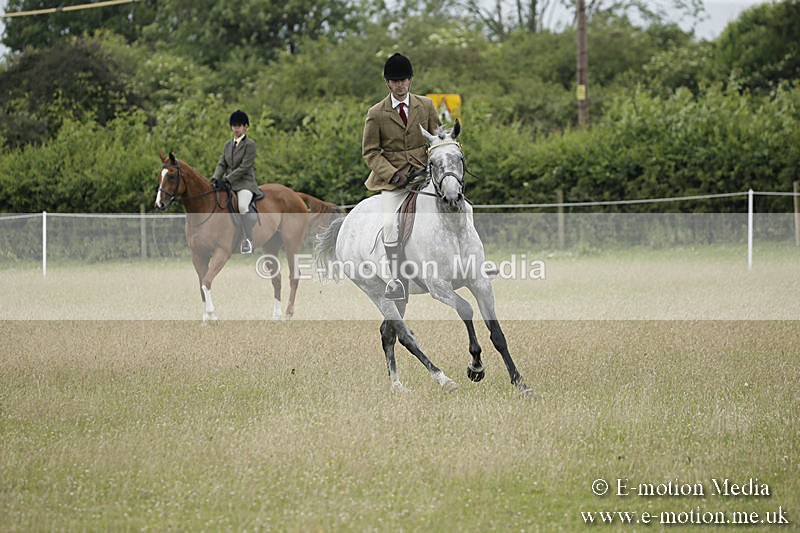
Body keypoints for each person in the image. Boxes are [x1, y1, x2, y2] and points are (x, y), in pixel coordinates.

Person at [363, 53, 441, 300]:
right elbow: (371, 152)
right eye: (395, 81)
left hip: (424, 176)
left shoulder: (426, 105)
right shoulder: (376, 113)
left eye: (404, 80)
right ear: (387, 82)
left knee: (461, 206)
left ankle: (475, 264)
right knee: (389, 224)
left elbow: (437, 138)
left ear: (410, 80)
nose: (400, 85)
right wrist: (392, 173)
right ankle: (396, 279)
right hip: (394, 182)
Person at [212, 109, 260, 254]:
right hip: (229, 184)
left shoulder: (250, 144)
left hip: (245, 184)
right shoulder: (227, 145)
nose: (236, 129)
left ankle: (248, 240)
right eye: (234, 126)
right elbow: (222, 164)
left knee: (243, 206)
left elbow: (245, 167)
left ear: (245, 127)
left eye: (239, 126)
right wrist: (215, 178)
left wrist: (227, 179)